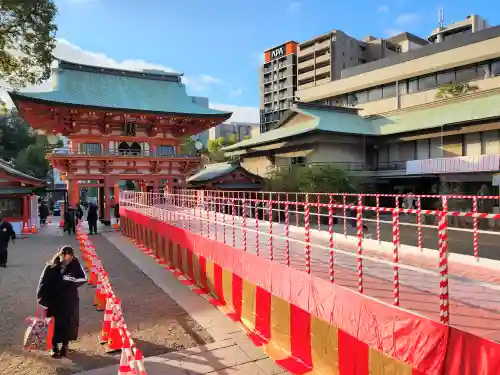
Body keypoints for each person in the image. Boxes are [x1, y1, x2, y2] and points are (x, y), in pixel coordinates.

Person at [36, 246, 87, 358]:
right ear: (61, 255)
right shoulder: (50, 267)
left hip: (70, 301)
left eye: (70, 258)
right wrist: (42, 299)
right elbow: (43, 283)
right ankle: (54, 347)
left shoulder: (75, 265)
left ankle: (65, 346)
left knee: (69, 325)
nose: (68, 260)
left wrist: (71, 280)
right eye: (66, 257)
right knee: (53, 324)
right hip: (54, 302)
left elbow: (83, 278)